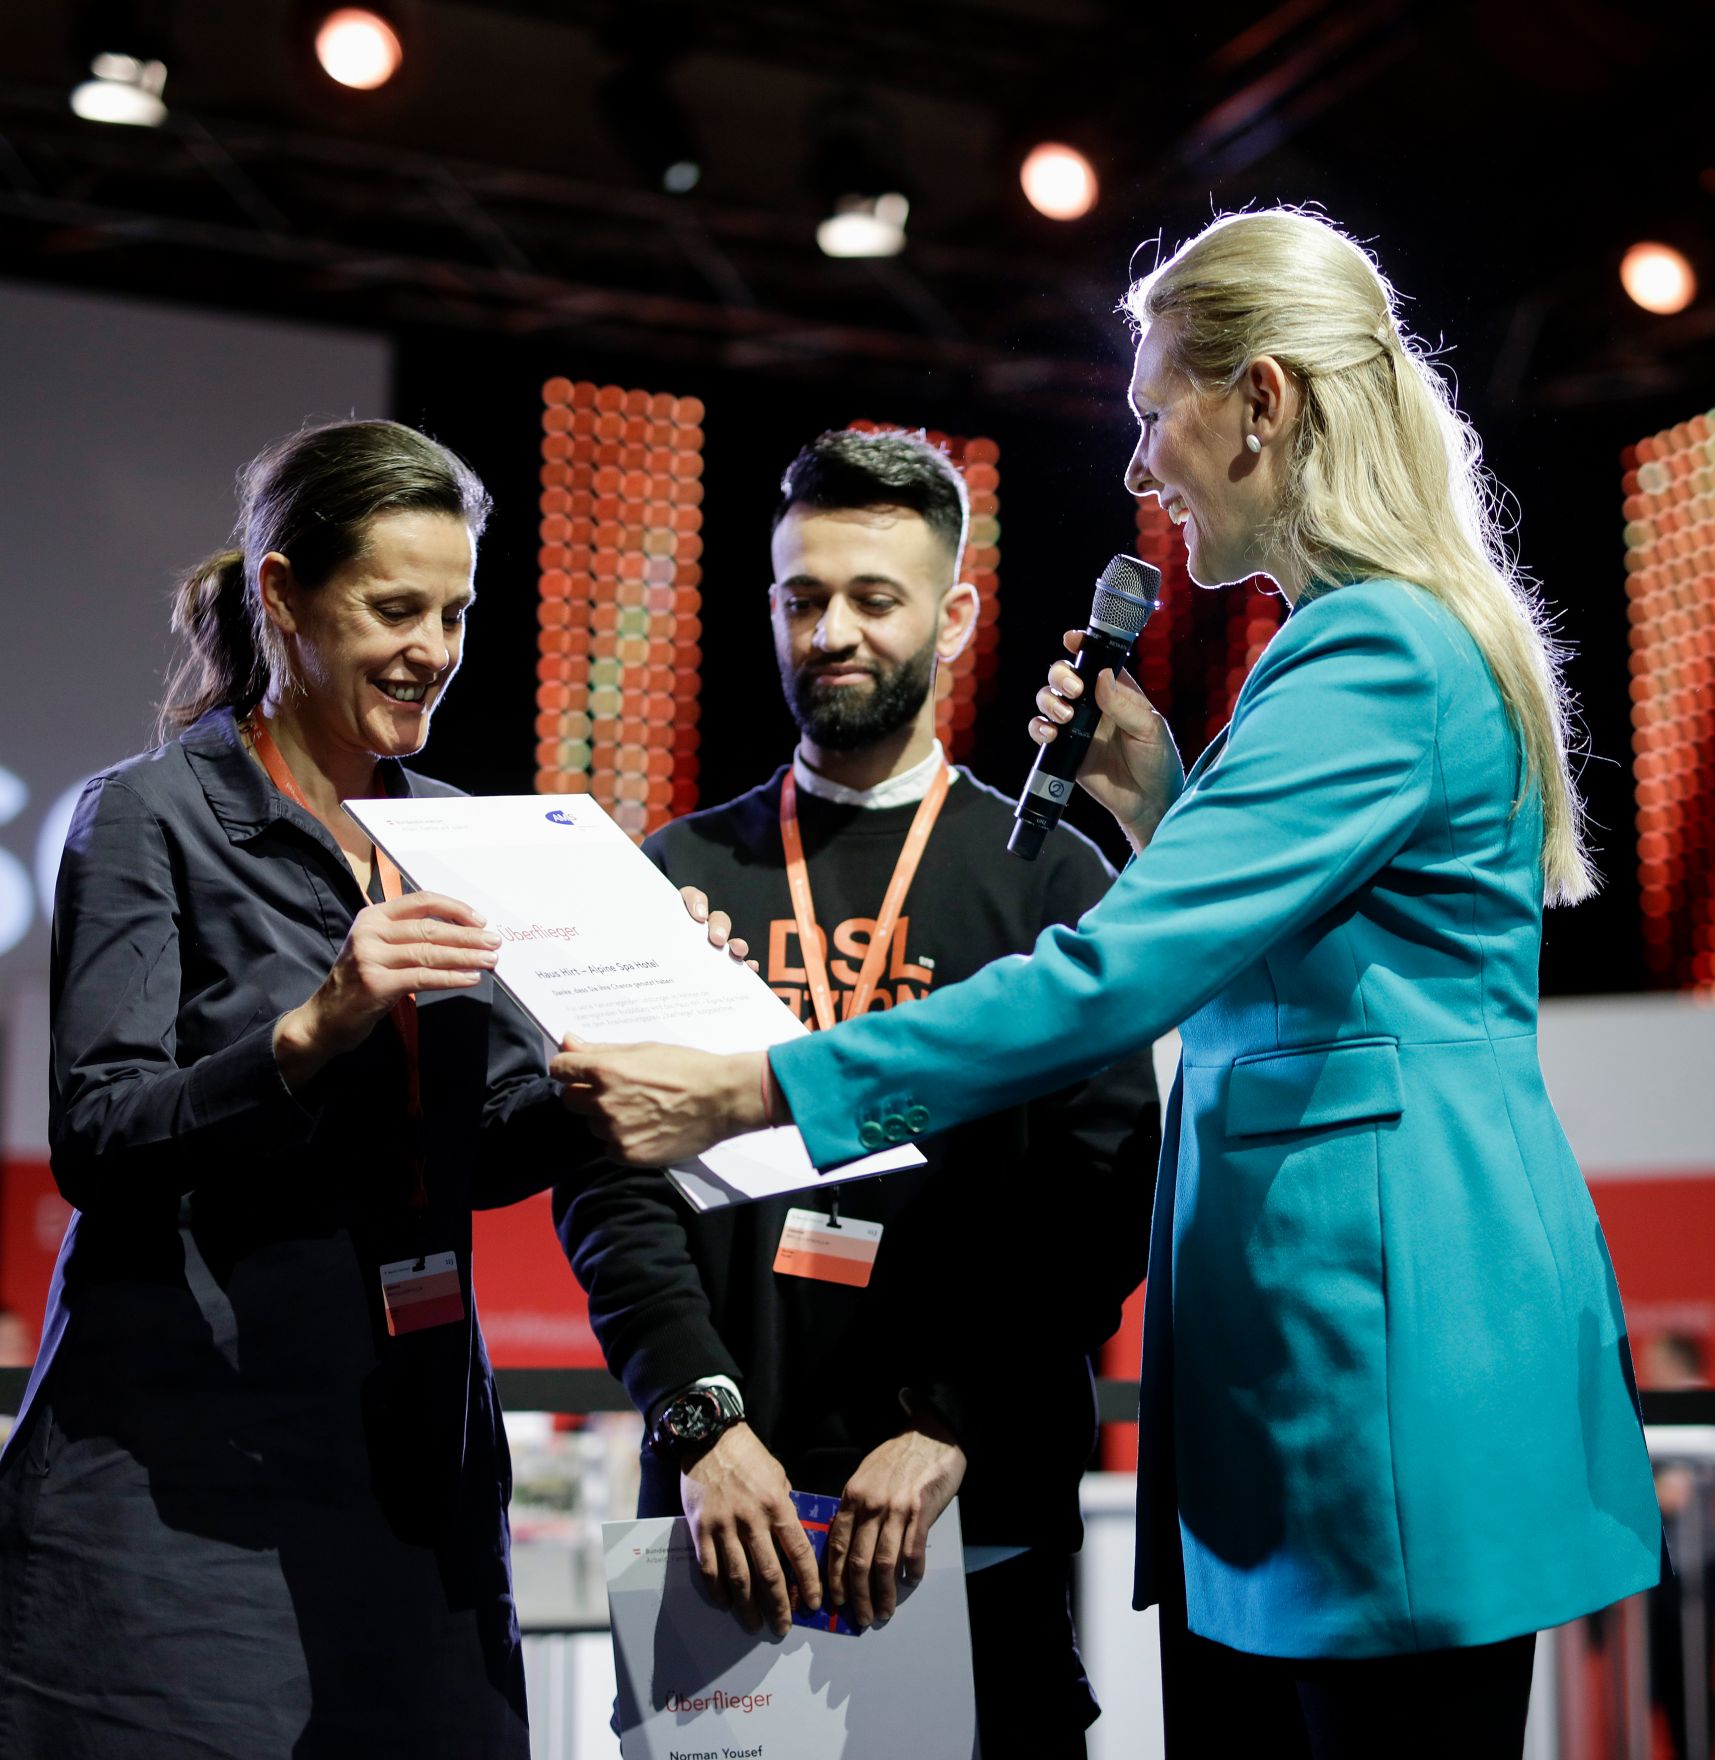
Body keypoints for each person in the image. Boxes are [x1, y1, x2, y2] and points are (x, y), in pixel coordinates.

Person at [551, 210, 1664, 1758]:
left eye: (1155, 413)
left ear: (1261, 400)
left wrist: (760, 1087)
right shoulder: (1370, 643)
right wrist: (1164, 801)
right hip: (1347, 1362)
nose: (1143, 466)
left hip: (1382, 1373)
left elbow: (1109, 979)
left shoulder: (1375, 653)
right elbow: (1304, 964)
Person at [0, 419, 743, 1759]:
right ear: (283, 596)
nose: (434, 650)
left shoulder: (463, 837)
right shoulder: (149, 817)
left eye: (455, 613)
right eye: (395, 609)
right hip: (182, 1488)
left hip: (415, 1471)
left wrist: (642, 1038)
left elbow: (491, 1145)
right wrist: (314, 1027)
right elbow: (101, 1137)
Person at [556, 427, 1159, 1757]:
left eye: (874, 599)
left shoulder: (1051, 883)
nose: (831, 632)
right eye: (803, 597)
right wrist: (703, 1426)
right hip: (723, 1527)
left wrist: (950, 1422)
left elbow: (1099, 1199)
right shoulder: (671, 874)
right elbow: (610, 1182)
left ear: (956, 617)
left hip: (969, 1523)